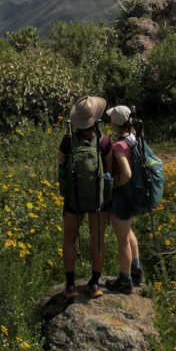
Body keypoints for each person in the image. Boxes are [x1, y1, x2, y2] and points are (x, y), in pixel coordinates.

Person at [58, 95, 112, 299]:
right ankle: (94, 284)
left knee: (69, 240)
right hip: (98, 200)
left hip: (74, 198)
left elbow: (61, 167)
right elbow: (109, 170)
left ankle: (70, 286)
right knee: (97, 241)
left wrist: (66, 190)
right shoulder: (104, 141)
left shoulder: (67, 140)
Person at [104, 105, 144, 294]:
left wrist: (117, 185)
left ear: (115, 124)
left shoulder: (119, 146)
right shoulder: (135, 137)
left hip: (123, 196)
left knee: (122, 241)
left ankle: (125, 280)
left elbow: (126, 172)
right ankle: (137, 271)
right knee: (128, 233)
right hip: (135, 194)